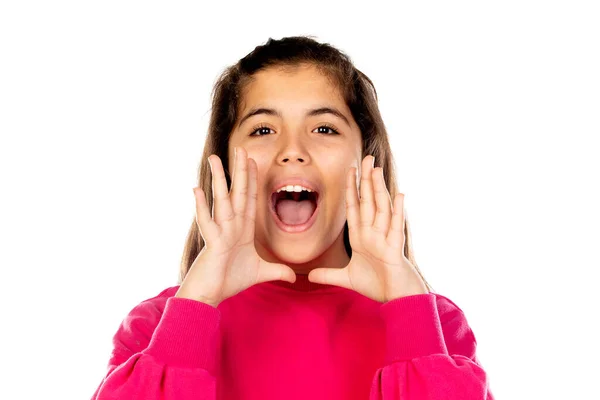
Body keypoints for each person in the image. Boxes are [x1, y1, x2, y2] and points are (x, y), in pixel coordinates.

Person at [91, 35, 494, 400]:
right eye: (263, 130)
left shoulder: (433, 326)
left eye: (324, 128)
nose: (293, 150)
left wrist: (408, 306)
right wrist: (196, 304)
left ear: (366, 160)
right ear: (227, 165)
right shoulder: (157, 328)